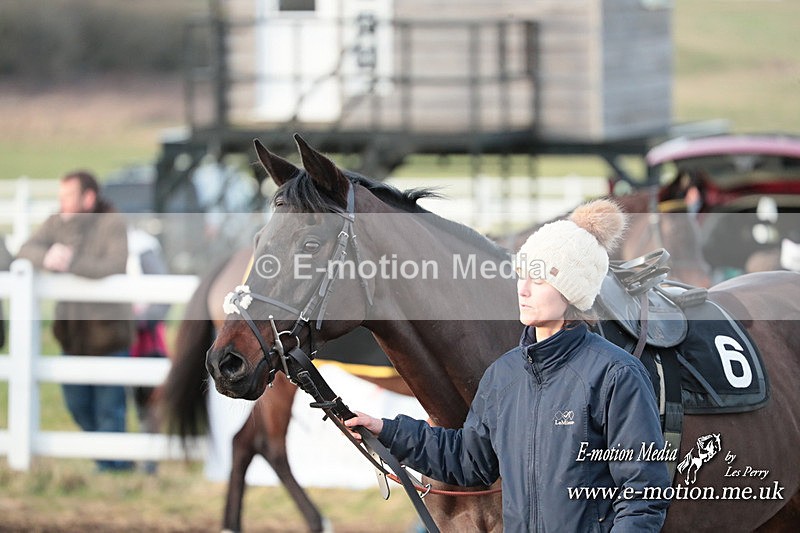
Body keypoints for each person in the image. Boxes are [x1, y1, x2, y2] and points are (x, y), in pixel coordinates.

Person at [345, 199, 671, 532]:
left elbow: (643, 496)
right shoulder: (504, 375)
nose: (524, 289)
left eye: (539, 279)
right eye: (521, 275)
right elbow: (469, 460)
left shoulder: (616, 375)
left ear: (572, 291)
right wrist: (387, 431)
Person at [16, 170, 134, 472]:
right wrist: (47, 257)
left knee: (109, 411)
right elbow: (26, 249)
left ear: (88, 197)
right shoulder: (58, 221)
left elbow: (114, 264)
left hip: (108, 337)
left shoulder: (111, 222)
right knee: (78, 406)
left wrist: (70, 262)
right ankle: (111, 464)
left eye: (68, 197)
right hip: (72, 337)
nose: (62, 203)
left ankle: (113, 471)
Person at [127, 226, 171, 474]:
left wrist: (140, 322)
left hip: (146, 339)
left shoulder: (141, 247)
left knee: (148, 402)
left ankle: (149, 461)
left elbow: (160, 297)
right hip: (124, 336)